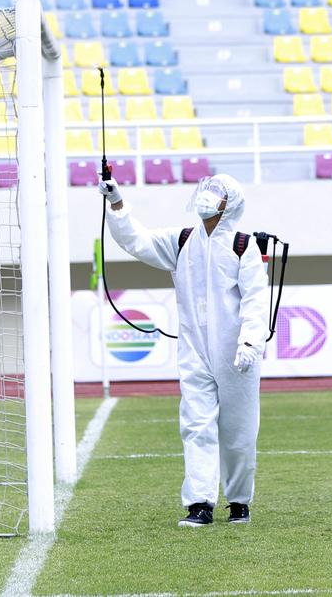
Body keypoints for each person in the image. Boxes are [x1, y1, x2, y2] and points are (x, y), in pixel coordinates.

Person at [98, 174, 269, 527]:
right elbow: (137, 240)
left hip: (236, 353)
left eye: (218, 194)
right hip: (194, 350)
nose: (208, 197)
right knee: (196, 425)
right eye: (208, 190)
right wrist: (117, 203)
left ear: (230, 204)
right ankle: (200, 503)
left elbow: (255, 298)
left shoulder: (242, 245)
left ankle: (239, 502)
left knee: (238, 431)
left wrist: (251, 341)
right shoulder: (183, 240)